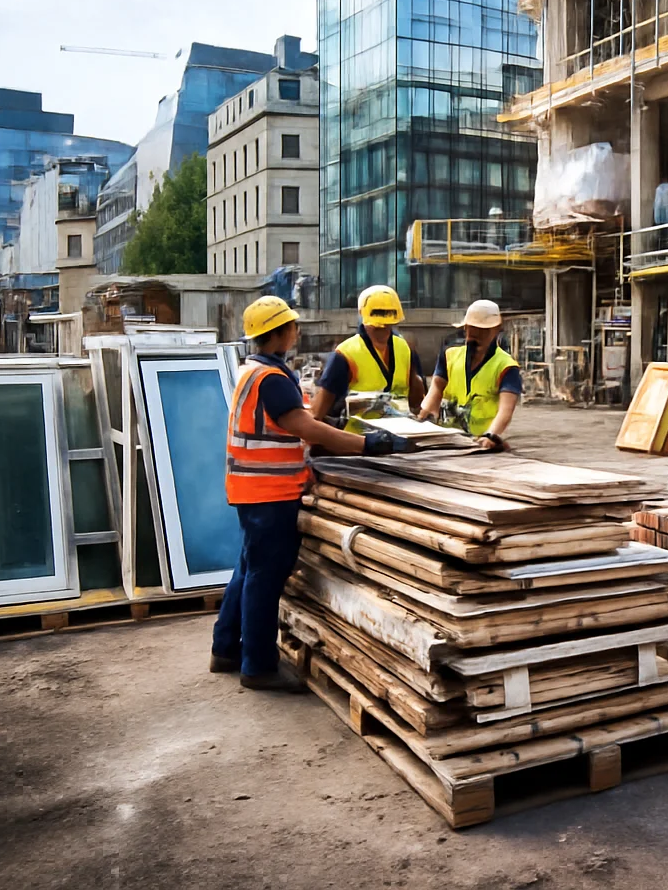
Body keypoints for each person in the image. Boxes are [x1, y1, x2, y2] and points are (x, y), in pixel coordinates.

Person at [211, 295, 406, 691]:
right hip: (270, 492)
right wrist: (367, 445)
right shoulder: (271, 379)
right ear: (281, 333)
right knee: (265, 578)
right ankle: (259, 666)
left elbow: (296, 417)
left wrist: (339, 421)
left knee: (248, 569)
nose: (297, 330)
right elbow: (306, 427)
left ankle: (225, 647)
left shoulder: (258, 371)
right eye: (293, 325)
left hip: (252, 490)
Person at [309, 284, 426, 427]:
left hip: (399, 435)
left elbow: (416, 402)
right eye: (377, 326)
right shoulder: (345, 354)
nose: (383, 329)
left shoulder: (405, 349)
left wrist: (416, 379)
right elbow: (318, 413)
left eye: (387, 325)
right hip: (358, 442)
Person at [418, 298, 521, 450]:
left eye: (482, 331)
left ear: (496, 330)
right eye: (471, 330)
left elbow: (506, 410)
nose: (475, 336)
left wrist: (491, 435)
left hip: (481, 443)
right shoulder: (449, 356)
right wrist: (423, 417)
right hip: (448, 440)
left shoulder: (507, 367)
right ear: (465, 328)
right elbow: (436, 389)